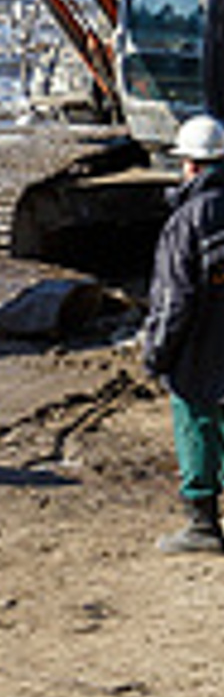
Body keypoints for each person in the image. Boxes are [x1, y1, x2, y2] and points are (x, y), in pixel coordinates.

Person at [144, 113, 224, 555]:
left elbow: (175, 300)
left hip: (199, 347)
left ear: (191, 165)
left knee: (196, 427)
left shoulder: (187, 221)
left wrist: (157, 355)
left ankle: (202, 524)